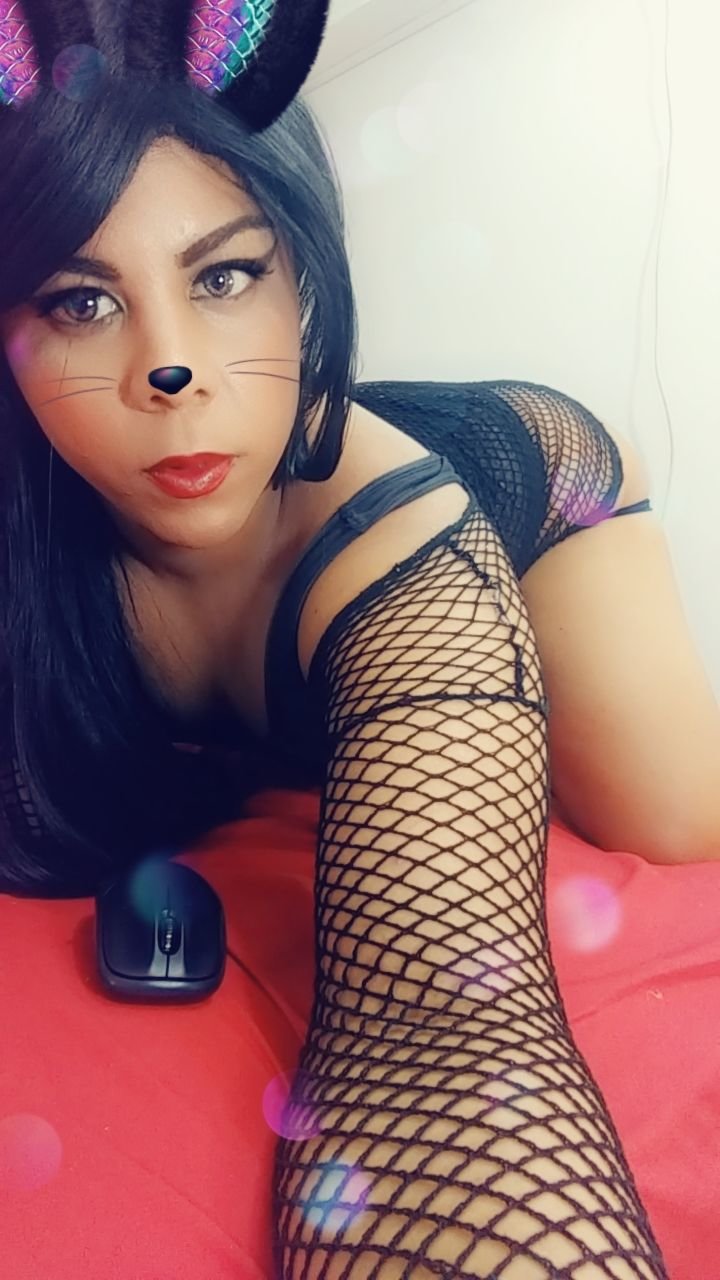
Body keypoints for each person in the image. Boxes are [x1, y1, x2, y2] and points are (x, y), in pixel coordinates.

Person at [0, 1, 679, 1274]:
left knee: (681, 814)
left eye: (225, 276)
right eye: (82, 300)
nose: (170, 371)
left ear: (303, 275)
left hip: (536, 477)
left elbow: (440, 1015)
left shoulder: (407, 553)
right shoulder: (32, 525)